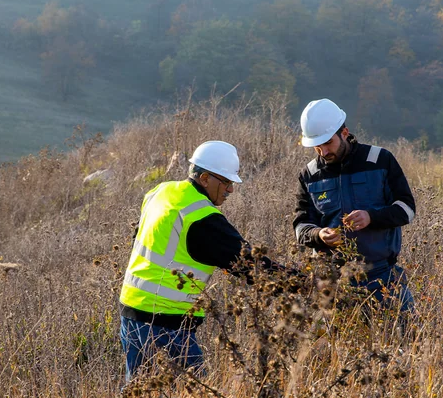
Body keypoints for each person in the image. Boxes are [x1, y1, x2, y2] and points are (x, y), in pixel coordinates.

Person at [119, 140, 286, 382]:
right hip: (166, 324)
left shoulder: (160, 191)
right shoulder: (203, 217)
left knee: (138, 394)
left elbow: (141, 239)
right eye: (226, 182)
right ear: (205, 178)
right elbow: (253, 266)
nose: (230, 190)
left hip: (131, 312)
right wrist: (309, 284)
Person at [293, 98, 416, 319]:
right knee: (332, 352)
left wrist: (372, 217)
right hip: (331, 284)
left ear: (345, 132)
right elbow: (301, 226)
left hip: (382, 278)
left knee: (406, 343)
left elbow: (406, 209)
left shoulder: (380, 160)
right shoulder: (309, 175)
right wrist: (318, 234)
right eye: (316, 146)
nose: (323, 152)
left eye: (328, 143)